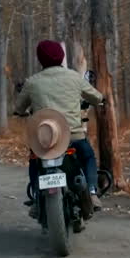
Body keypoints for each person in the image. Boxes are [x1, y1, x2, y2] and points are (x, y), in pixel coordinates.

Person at [15, 41, 104, 212]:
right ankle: (92, 192)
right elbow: (96, 97)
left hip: (44, 140)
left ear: (40, 59)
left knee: (35, 160)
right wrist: (101, 100)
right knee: (88, 157)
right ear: (62, 57)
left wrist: (19, 112)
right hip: (73, 137)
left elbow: (19, 108)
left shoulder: (32, 82)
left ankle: (35, 197)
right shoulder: (74, 77)